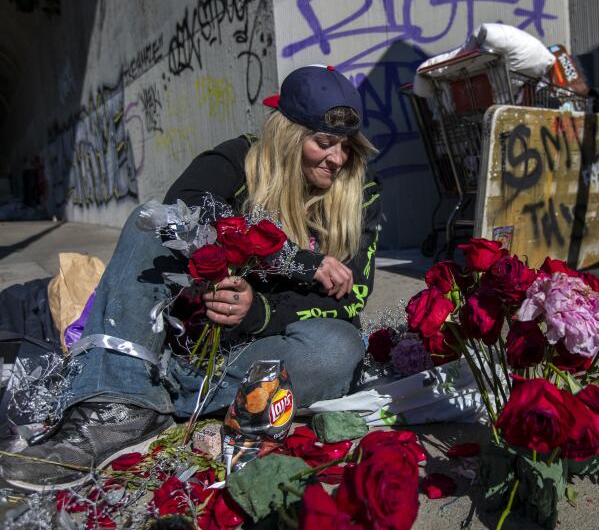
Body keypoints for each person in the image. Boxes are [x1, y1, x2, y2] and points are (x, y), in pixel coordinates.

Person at [0, 66, 382, 491]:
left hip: (258, 349)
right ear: (289, 137)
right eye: (324, 143)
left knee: (338, 347)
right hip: (193, 330)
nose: (338, 158)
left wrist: (258, 310)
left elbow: (348, 301)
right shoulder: (243, 157)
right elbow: (182, 203)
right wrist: (296, 259)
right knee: (153, 224)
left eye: (347, 146)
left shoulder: (361, 192)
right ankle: (116, 410)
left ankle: (151, 395)